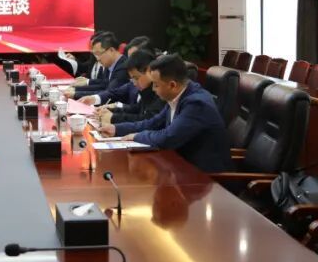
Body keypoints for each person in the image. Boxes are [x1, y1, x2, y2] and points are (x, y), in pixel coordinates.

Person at [98, 54, 231, 173]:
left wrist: (137, 136)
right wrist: (116, 129)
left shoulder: (196, 104)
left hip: (206, 177)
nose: (153, 89)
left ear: (172, 85)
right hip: (181, 165)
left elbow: (168, 137)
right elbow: (153, 123)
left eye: (156, 85)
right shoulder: (178, 96)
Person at [98, 49, 166, 125]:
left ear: (149, 70)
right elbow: (137, 109)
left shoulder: (160, 92)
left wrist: (114, 118)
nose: (134, 83)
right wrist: (111, 110)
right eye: (132, 79)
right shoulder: (146, 89)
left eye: (136, 78)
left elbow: (148, 120)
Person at [71, 32, 131, 105]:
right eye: (95, 55)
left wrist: (76, 94)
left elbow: (110, 94)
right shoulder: (109, 64)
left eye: (99, 54)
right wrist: (76, 90)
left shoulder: (123, 67)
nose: (98, 59)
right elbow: (102, 86)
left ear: (111, 50)